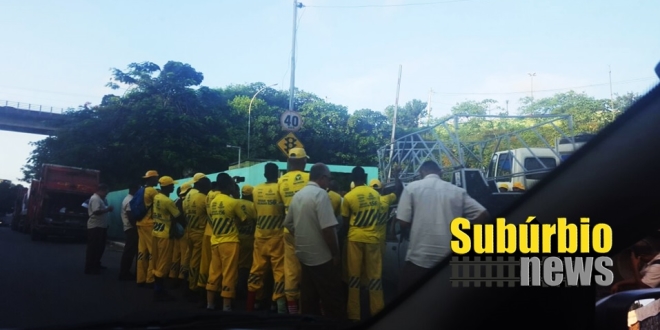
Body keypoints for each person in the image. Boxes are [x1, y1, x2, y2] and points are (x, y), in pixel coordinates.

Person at [396, 160, 489, 295]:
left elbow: (403, 222)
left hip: (419, 259)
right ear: (440, 172)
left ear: (422, 172)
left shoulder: (412, 188)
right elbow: (483, 215)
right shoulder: (457, 191)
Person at [283, 163, 346, 320]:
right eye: (329, 178)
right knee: (332, 299)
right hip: (322, 257)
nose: (329, 183)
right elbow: (328, 230)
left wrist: (305, 234)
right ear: (323, 178)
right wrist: (335, 254)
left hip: (304, 255)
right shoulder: (320, 195)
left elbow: (288, 223)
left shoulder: (298, 195)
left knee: (309, 299)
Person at [342, 166, 385, 321]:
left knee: (354, 277)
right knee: (375, 278)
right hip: (373, 239)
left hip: (354, 239)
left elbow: (345, 222)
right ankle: (378, 311)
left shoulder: (349, 197)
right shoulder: (375, 195)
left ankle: (354, 314)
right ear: (365, 177)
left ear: (352, 179)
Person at [247, 163, 287, 313]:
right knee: (279, 272)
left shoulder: (256, 190)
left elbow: (256, 211)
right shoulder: (280, 189)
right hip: (277, 237)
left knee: (256, 270)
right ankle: (279, 307)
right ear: (277, 174)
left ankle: (251, 305)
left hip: (260, 236)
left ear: (264, 174)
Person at [206, 173, 250, 311]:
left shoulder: (213, 202)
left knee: (214, 272)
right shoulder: (233, 202)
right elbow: (245, 220)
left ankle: (210, 304)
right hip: (230, 241)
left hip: (215, 241)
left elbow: (212, 220)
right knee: (229, 273)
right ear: (229, 185)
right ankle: (227, 305)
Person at [278, 147, 310, 314]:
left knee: (290, 268)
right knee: (308, 268)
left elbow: (278, 207)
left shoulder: (281, 180)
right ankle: (306, 308)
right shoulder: (309, 178)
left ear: (290, 162)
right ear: (303, 161)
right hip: (308, 231)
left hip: (289, 230)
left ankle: (291, 308)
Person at [151, 175, 184, 301]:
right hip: (165, 235)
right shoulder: (167, 201)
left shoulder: (156, 197)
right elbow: (178, 216)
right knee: (164, 263)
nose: (174, 186)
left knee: (157, 261)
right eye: (172, 185)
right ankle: (159, 291)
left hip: (156, 233)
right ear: (167, 187)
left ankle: (158, 289)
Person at [183, 173, 211, 302]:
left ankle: (186, 281)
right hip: (199, 233)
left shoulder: (188, 196)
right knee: (196, 262)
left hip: (189, 231)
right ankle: (193, 287)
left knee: (188, 259)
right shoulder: (203, 198)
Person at [198, 180, 219, 304]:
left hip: (207, 231)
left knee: (204, 264)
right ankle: (215, 293)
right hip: (216, 234)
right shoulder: (219, 196)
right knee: (216, 266)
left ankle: (202, 290)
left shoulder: (208, 196)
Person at [137, 170, 160, 288]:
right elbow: (160, 203)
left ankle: (140, 278)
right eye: (156, 178)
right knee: (153, 252)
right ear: (151, 179)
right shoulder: (152, 191)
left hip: (140, 223)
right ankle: (150, 278)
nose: (158, 180)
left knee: (142, 251)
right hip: (149, 224)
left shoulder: (141, 190)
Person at [85, 184, 113, 275]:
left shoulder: (100, 199)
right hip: (95, 227)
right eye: (106, 192)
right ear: (101, 190)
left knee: (99, 247)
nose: (106, 194)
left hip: (101, 226)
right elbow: (96, 211)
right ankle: (89, 267)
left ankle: (96, 264)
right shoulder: (96, 199)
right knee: (93, 248)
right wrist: (107, 209)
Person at [236, 184, 257, 303]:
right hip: (248, 239)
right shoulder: (253, 206)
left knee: (235, 265)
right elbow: (256, 222)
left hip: (235, 239)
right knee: (245, 267)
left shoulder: (235, 203)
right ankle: (241, 289)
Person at [169, 182, 192, 287]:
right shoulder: (185, 201)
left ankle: (172, 275)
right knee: (184, 255)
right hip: (183, 231)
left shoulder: (175, 201)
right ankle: (182, 276)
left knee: (175, 255)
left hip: (175, 232)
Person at [119, 183, 140, 281]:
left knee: (130, 251)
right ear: (134, 189)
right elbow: (130, 215)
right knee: (129, 251)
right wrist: (137, 228)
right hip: (131, 228)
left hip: (129, 228)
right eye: (138, 189)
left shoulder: (128, 198)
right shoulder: (130, 200)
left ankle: (125, 271)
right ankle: (124, 272)